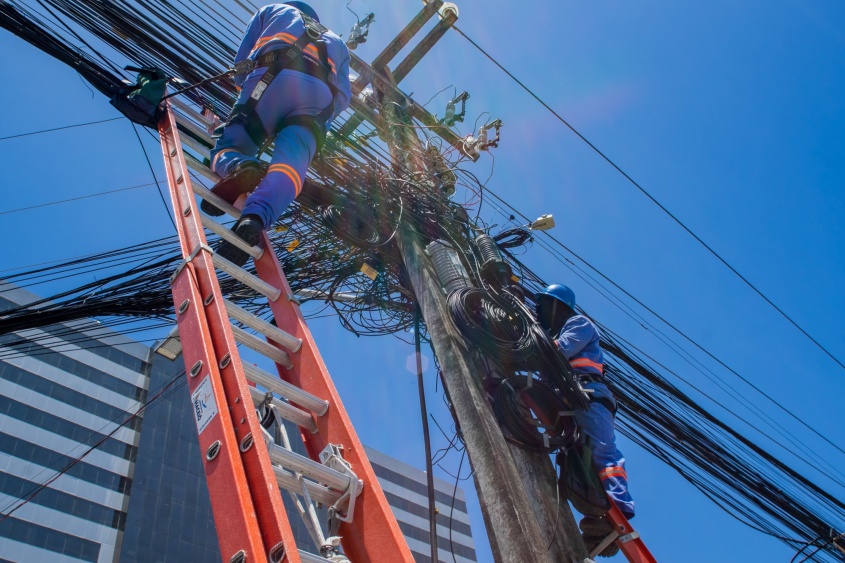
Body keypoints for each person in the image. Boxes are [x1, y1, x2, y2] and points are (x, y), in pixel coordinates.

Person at [207, 2, 351, 266]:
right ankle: (255, 218)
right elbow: (343, 96)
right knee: (290, 168)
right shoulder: (338, 42)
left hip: (270, 77)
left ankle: (241, 166)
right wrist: (320, 119)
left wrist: (245, 87)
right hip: (316, 101)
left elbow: (242, 60)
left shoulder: (274, 9)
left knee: (228, 148)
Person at [535, 284, 634, 545]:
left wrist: (533, 347)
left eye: (545, 305)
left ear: (559, 306)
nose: (540, 311)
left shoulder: (579, 323)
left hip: (590, 395)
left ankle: (620, 509)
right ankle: (596, 512)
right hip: (571, 395)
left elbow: (561, 349)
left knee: (602, 452)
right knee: (575, 458)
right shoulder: (560, 330)